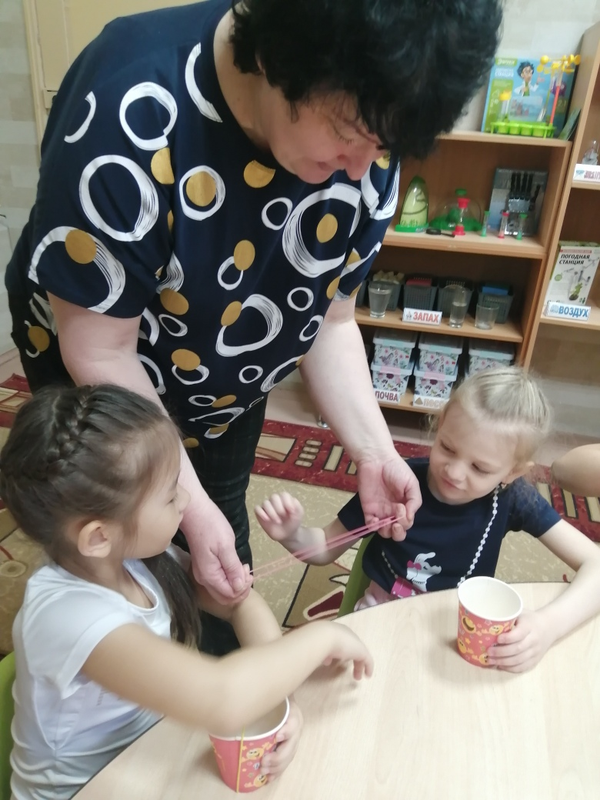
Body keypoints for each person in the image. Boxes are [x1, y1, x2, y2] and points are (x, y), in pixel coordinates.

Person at [4, 0, 503, 651]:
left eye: (383, 148)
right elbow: (101, 351)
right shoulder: (129, 105)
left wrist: (376, 453)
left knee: (218, 531)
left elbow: (331, 321)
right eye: (348, 133)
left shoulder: (371, 132)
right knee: (112, 554)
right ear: (276, 58)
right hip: (105, 376)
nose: (361, 168)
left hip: (230, 370)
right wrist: (186, 507)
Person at [0, 384, 373, 800]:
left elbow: (238, 602)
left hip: (148, 758)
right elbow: (221, 698)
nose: (186, 500)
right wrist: (321, 636)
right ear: (99, 536)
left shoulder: (135, 557)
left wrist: (283, 704)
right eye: (170, 494)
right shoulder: (71, 618)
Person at [256, 368, 600, 673]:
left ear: (512, 472)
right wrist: (292, 534)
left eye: (480, 468)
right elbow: (323, 549)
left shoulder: (514, 499)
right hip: (377, 616)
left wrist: (548, 626)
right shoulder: (395, 482)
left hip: (454, 630)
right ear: (440, 423)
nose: (454, 472)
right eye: (447, 447)